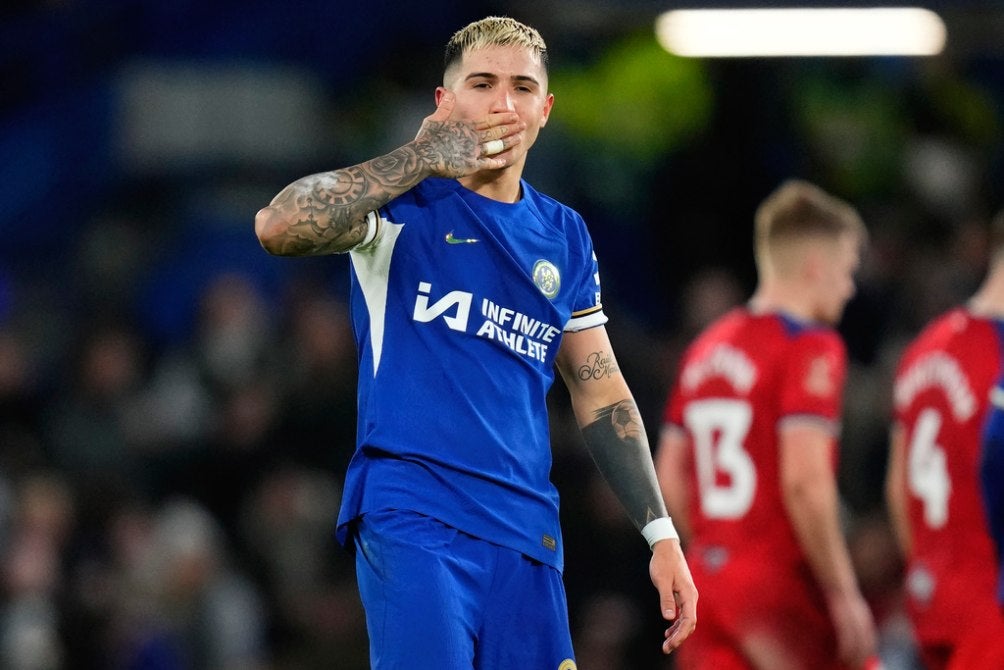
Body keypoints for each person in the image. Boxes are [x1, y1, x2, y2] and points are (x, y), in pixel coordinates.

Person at [254, 15, 696, 670]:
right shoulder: (402, 209)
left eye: (521, 88)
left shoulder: (565, 236)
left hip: (527, 538)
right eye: (482, 83)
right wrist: (419, 156)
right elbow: (278, 224)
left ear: (544, 110)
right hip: (415, 514)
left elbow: (601, 392)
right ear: (445, 102)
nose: (502, 103)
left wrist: (661, 535)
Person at [655, 179, 878, 670]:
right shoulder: (810, 346)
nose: (850, 288)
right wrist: (843, 593)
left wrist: (720, 553)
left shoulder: (705, 349)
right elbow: (805, 481)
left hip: (707, 581)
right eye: (846, 271)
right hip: (779, 587)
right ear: (817, 266)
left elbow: (667, 474)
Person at [885, 206, 1004, 670]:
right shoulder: (999, 355)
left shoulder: (925, 347)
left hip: (930, 595)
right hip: (988, 601)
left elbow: (898, 488)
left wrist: (928, 571)